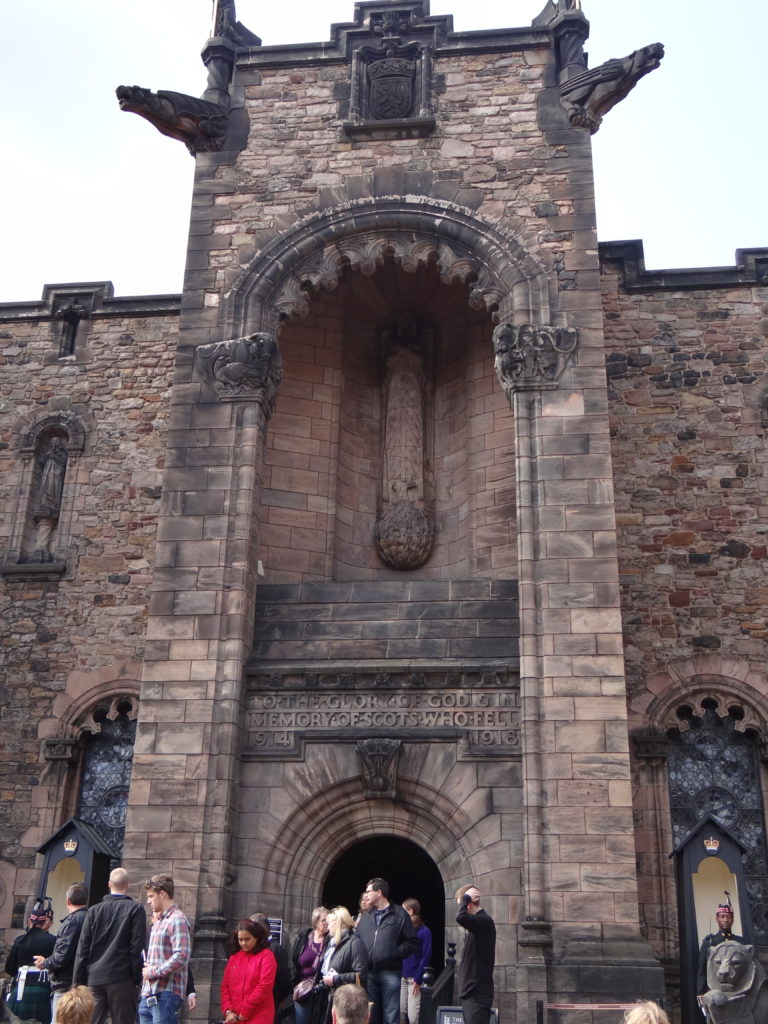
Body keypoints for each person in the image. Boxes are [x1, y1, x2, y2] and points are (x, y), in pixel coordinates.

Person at [73, 867, 145, 1024]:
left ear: (109, 884)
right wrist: (136, 977)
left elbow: (82, 949)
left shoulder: (93, 911)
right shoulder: (135, 909)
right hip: (122, 977)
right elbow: (136, 948)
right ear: (127, 885)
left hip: (94, 978)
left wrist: (77, 982)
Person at [355, 879, 417, 1024]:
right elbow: (356, 941)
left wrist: (394, 953)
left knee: (391, 1016)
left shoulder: (399, 914)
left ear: (379, 892)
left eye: (369, 891)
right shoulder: (366, 916)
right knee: (371, 1015)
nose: (366, 895)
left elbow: (412, 942)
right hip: (369, 973)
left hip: (391, 972)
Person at [139, 874, 192, 1024]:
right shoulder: (159, 921)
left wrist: (153, 971)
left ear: (162, 894)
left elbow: (182, 955)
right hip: (149, 993)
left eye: (151, 896)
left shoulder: (177, 919)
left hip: (166, 994)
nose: (148, 901)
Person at [33, 882, 89, 1019]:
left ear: (68, 901)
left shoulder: (71, 922)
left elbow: (61, 956)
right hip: (84, 983)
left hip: (65, 984)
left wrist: (44, 962)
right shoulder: (91, 918)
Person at [4, 899, 56, 1024]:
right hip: (43, 990)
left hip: (20, 990)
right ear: (43, 922)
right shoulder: (52, 940)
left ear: (30, 921)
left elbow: (9, 969)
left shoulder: (19, 941)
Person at [314, 908, 368, 1024]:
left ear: (338, 923)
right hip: (327, 998)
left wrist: (335, 979)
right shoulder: (332, 942)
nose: (327, 928)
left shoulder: (355, 943)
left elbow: (361, 975)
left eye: (329, 924)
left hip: (345, 1003)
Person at [221, 918, 277, 1024]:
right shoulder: (234, 958)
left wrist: (246, 1009)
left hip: (259, 1015)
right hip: (235, 1016)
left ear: (256, 938)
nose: (243, 943)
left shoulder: (266, 956)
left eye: (247, 939)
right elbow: (225, 986)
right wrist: (228, 1010)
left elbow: (264, 986)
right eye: (240, 940)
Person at [454, 884, 496, 1024]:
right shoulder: (477, 925)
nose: (460, 908)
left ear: (468, 904)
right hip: (472, 993)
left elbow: (460, 917)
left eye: (461, 904)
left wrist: (465, 897)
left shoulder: (484, 922)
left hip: (477, 993)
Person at [696, 898, 746, 995]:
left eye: (729, 917)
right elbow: (702, 971)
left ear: (732, 919)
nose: (725, 920)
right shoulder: (710, 942)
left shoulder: (741, 942)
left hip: (737, 990)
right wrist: (701, 994)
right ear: (717, 919)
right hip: (715, 991)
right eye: (722, 917)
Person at [250, 913, 292, 1022]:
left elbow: (284, 980)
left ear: (263, 929)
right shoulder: (252, 949)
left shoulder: (276, 950)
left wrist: (279, 997)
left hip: (270, 1003)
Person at [291, 906, 329, 1024]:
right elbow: (295, 960)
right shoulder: (304, 938)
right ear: (316, 921)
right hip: (303, 990)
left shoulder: (331, 940)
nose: (327, 923)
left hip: (322, 990)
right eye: (324, 920)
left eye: (329, 920)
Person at [399, 899, 431, 1024]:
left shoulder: (424, 931)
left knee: (413, 1017)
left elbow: (426, 956)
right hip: (402, 976)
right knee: (400, 1012)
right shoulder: (402, 930)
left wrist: (418, 979)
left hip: (414, 978)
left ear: (410, 911)